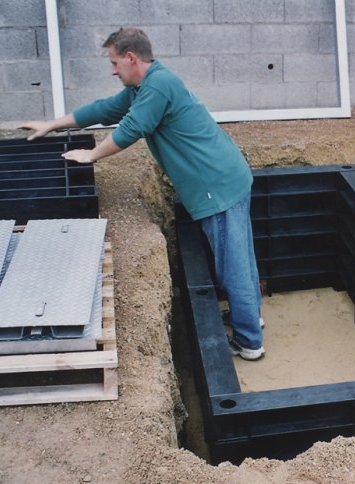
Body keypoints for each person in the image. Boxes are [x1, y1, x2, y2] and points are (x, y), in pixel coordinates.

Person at [20, 27, 265, 360]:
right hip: (226, 178)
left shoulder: (157, 88)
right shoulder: (142, 87)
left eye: (115, 62)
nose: (112, 69)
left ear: (131, 58)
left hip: (216, 187)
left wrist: (91, 155)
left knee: (232, 266)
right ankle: (249, 318)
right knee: (240, 259)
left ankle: (249, 341)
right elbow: (103, 110)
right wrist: (52, 124)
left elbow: (131, 129)